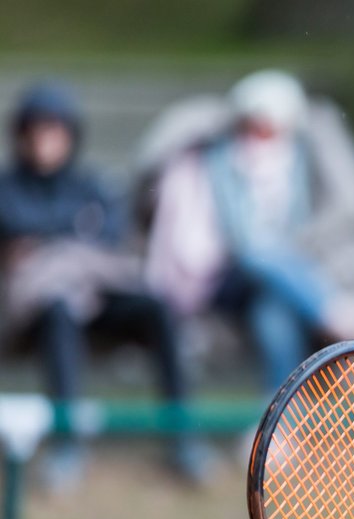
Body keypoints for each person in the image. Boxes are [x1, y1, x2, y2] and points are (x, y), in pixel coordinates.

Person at [0, 81, 208, 491]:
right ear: (21, 134)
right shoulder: (7, 188)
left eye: (55, 129)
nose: (46, 141)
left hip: (96, 302)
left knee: (156, 308)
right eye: (37, 129)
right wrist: (69, 239)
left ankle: (182, 434)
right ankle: (68, 445)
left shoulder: (90, 185)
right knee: (59, 309)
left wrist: (48, 244)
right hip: (34, 315)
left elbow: (111, 240)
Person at [143, 69, 354, 393]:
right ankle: (337, 314)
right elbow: (229, 241)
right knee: (258, 251)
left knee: (272, 310)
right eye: (252, 124)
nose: (259, 135)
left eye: (269, 126)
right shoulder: (216, 159)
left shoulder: (302, 160)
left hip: (282, 279)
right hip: (224, 277)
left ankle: (280, 417)